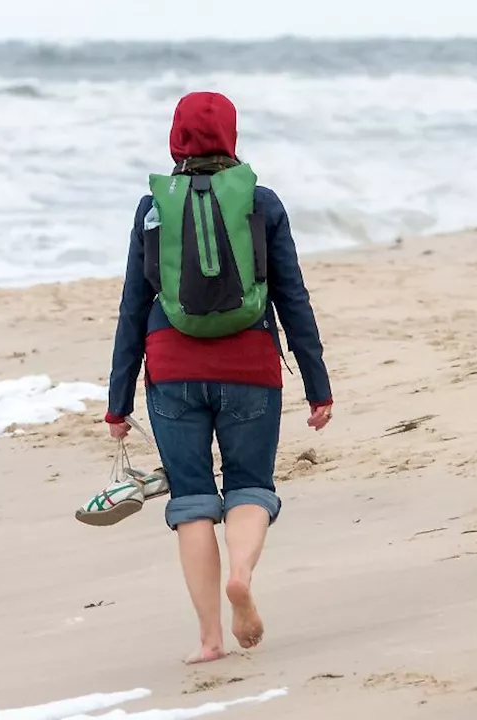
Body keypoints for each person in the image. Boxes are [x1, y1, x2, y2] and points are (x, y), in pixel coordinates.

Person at [104, 91, 334, 664]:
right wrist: (317, 382)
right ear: (231, 135)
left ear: (175, 138)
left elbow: (134, 305)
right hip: (250, 366)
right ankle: (242, 575)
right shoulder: (262, 203)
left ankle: (209, 640)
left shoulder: (152, 208)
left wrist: (117, 402)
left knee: (192, 502)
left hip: (173, 372)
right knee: (250, 487)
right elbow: (292, 296)